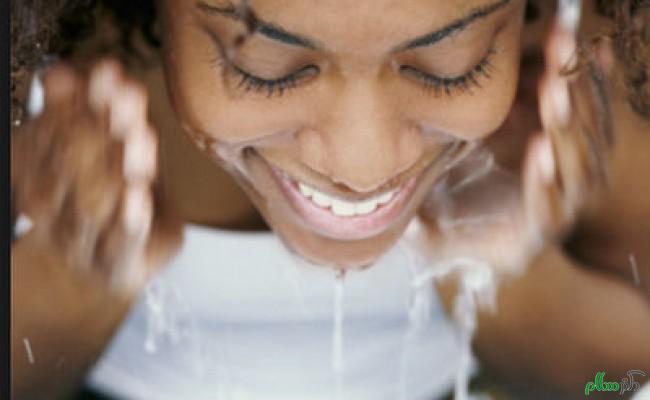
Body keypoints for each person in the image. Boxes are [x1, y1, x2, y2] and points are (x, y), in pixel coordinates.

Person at [9, 0, 650, 399]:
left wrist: (506, 284)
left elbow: (621, 383)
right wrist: (68, 278)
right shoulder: (36, 81)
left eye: (452, 65)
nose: (362, 166)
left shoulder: (580, 81)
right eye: (265, 70)